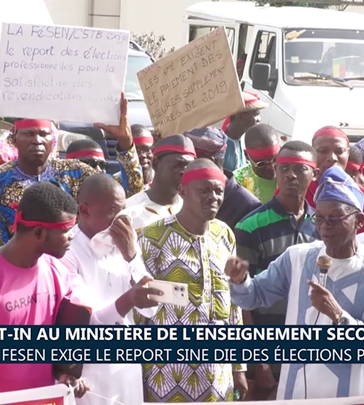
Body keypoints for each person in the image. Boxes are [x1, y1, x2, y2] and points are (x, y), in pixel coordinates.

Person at [226, 165, 364, 400]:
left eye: (334, 219)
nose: (324, 227)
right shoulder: (298, 257)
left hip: (347, 395)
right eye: (319, 218)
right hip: (294, 392)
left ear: (358, 221)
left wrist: (339, 317)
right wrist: (240, 280)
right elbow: (254, 296)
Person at [138, 158, 248, 403]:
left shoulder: (224, 234)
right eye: (204, 190)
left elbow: (232, 304)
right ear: (183, 191)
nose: (213, 197)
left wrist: (238, 366)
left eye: (219, 191)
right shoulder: (154, 235)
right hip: (166, 370)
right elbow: (139, 308)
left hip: (217, 371)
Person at [60, 174, 161, 405]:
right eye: (113, 211)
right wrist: (130, 299)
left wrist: (132, 256)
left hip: (127, 368)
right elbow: (89, 321)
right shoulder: (67, 250)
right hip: (91, 373)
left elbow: (150, 310)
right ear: (84, 211)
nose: (121, 220)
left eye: (123, 210)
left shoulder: (123, 243)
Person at [234, 141, 320, 396]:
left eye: (299, 168)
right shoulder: (250, 225)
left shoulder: (324, 226)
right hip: (266, 352)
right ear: (275, 169)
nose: (290, 175)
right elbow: (241, 298)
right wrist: (257, 359)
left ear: (314, 174)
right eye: (283, 168)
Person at [0, 93, 143, 245]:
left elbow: (130, 192)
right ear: (14, 137)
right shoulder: (3, 178)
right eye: (29, 133)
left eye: (43, 134)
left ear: (53, 138)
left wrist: (126, 145)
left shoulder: (76, 172)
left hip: (72, 263)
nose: (37, 141)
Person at [0, 181, 87, 397]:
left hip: (46, 399)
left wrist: (64, 373)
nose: (72, 236)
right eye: (66, 230)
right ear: (39, 232)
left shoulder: (57, 271)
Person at [184, 127, 261, 229]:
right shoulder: (185, 190)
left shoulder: (248, 207)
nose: (185, 167)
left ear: (209, 161)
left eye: (191, 160)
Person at [125, 134, 196, 231]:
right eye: (177, 165)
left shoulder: (193, 209)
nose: (183, 172)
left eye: (188, 166)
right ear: (156, 164)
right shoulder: (129, 211)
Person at [234, 124, 280, 203]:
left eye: (275, 159)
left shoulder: (290, 177)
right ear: (247, 156)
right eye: (262, 163)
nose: (271, 167)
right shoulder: (236, 182)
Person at [223, 92, 268, 172]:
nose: (259, 119)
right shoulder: (223, 146)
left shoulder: (241, 141)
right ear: (240, 116)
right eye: (256, 114)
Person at [306, 126, 350, 208]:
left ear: (348, 153)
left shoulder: (359, 194)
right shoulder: (293, 192)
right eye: (323, 151)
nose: (332, 158)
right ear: (312, 153)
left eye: (339, 151)